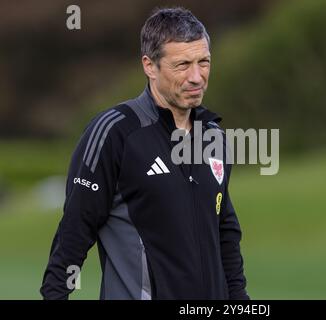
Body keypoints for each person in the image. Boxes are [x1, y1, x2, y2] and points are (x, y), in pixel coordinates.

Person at [40, 7, 249, 300]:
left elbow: (224, 230)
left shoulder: (214, 135)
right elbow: (75, 231)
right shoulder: (114, 133)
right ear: (150, 66)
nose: (197, 77)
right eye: (182, 65)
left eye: (204, 62)